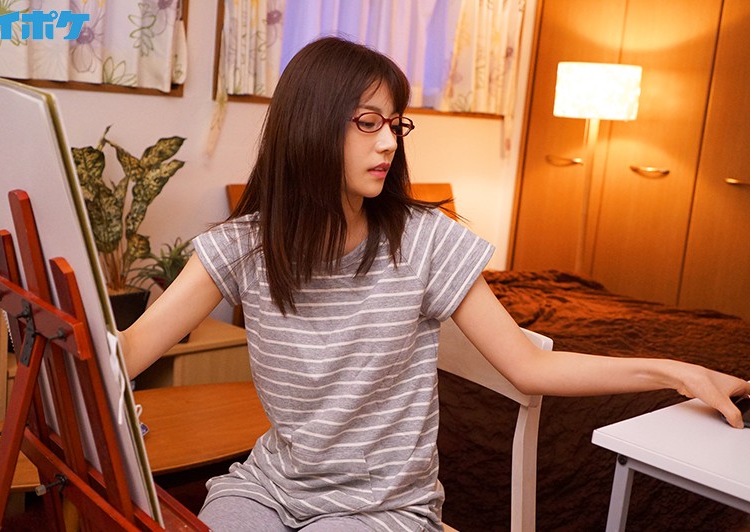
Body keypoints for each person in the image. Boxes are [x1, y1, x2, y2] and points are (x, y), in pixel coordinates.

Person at [119, 37, 750, 532]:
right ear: (310, 126)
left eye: (395, 124)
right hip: (270, 487)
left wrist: (675, 371)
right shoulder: (243, 246)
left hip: (381, 507)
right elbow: (131, 351)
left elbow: (530, 367)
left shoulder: (425, 240)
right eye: (368, 123)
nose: (389, 143)